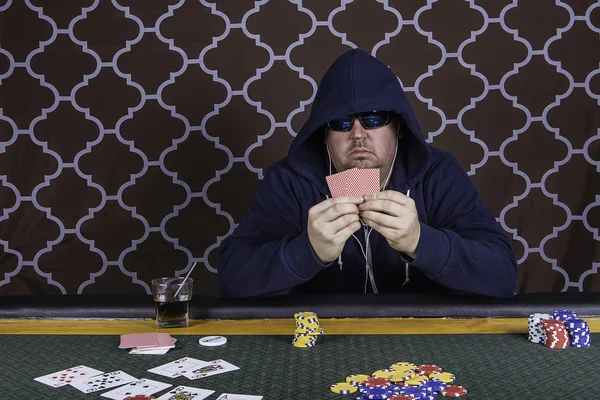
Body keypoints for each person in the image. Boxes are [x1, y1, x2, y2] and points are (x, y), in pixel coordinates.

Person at [217, 48, 517, 299]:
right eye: (342, 123)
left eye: (374, 119)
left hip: (424, 332)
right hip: (322, 336)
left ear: (398, 126)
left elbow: (502, 276)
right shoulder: (290, 179)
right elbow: (232, 279)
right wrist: (307, 251)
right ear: (323, 133)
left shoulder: (438, 173)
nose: (358, 136)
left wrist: (420, 241)